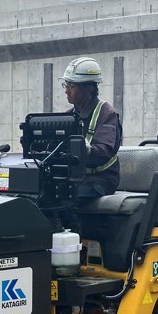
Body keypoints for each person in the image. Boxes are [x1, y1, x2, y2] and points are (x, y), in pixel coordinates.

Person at [60, 56, 121, 204]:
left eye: (72, 86)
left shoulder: (107, 113)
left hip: (99, 179)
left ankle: (74, 228)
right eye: (65, 85)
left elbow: (104, 152)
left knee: (67, 199)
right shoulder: (69, 116)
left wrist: (85, 150)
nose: (66, 91)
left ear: (89, 88)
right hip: (75, 178)